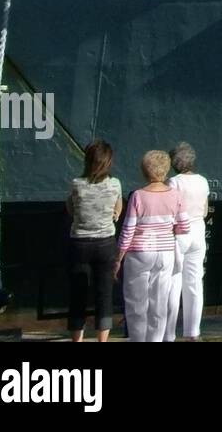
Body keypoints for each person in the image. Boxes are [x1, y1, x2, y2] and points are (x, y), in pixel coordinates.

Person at [114, 150, 189, 341]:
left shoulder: (138, 196)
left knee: (136, 304)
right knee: (159, 303)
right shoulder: (176, 195)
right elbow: (184, 226)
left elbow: (128, 230)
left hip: (139, 253)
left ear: (144, 171)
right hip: (165, 253)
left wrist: (118, 258)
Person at [65, 140, 122, 342]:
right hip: (105, 243)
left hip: (80, 243)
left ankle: (77, 340)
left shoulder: (76, 184)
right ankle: (102, 340)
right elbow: (117, 211)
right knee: (104, 293)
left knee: (78, 293)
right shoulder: (115, 184)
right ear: (108, 162)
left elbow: (71, 210)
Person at [162, 142, 209, 341]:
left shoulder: (174, 183)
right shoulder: (203, 181)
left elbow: (169, 211)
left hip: (179, 232)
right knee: (194, 284)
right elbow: (205, 210)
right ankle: (192, 332)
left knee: (174, 282)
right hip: (198, 230)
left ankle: (169, 334)